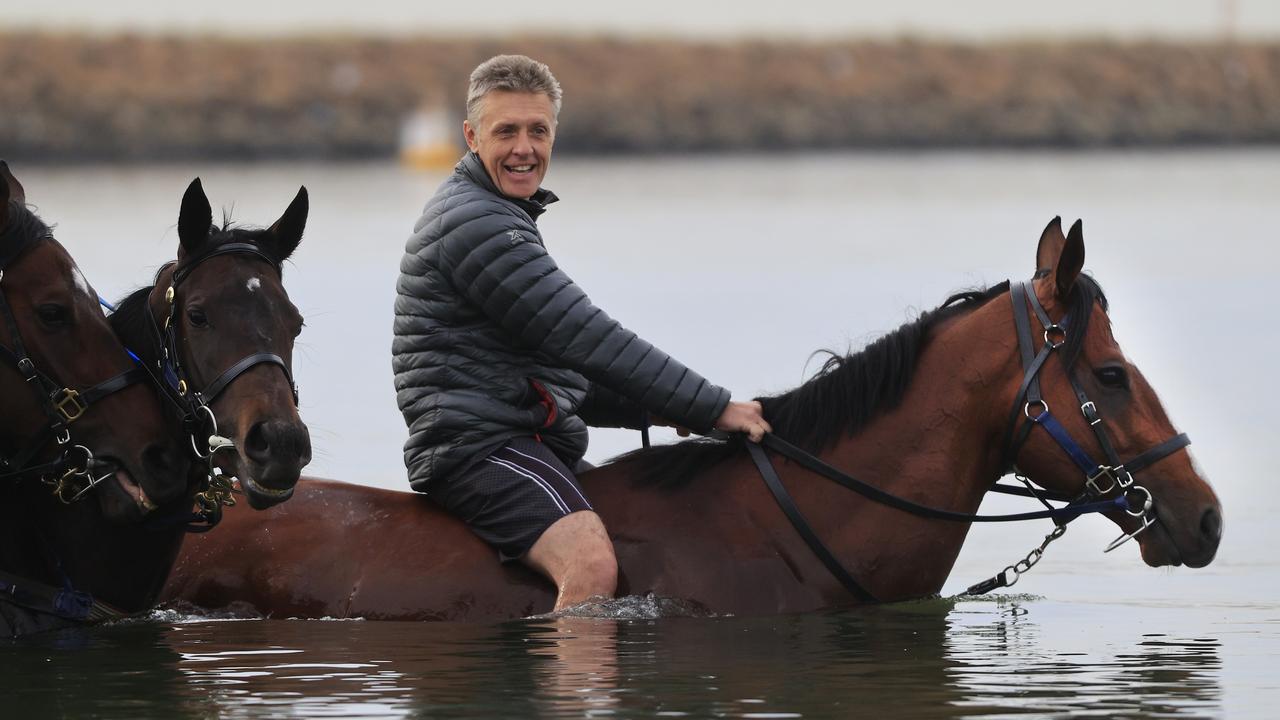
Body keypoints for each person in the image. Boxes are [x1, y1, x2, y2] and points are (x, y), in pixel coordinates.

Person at [392, 54, 770, 611]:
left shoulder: (501, 213)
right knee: (590, 563)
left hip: (524, 439)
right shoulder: (475, 224)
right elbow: (587, 336)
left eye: (538, 131)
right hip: (476, 449)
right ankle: (569, 700)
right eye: (507, 131)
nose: (524, 148)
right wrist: (713, 407)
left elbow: (557, 371)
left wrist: (657, 408)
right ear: (472, 137)